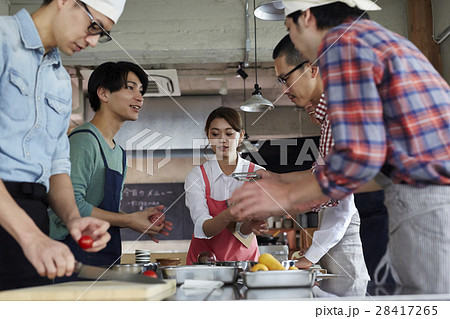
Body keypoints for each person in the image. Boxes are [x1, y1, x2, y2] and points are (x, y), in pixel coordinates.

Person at [230, 0, 450, 292]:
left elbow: (358, 163)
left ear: (306, 17)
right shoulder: (370, 40)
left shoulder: (344, 47)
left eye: (289, 28)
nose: (296, 42)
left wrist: (285, 194)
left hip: (424, 209)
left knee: (422, 307)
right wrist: (280, 183)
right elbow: (373, 166)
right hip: (418, 204)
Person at [0, 0, 127, 290]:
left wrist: (73, 217)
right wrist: (31, 237)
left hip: (33, 216)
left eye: (101, 34)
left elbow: (57, 162)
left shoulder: (59, 79)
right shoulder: (2, 41)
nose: (93, 41)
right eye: (94, 26)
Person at [48, 62, 173, 276]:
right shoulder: (84, 140)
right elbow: (73, 205)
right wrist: (127, 220)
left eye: (141, 91)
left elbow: (102, 208)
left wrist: (136, 219)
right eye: (131, 88)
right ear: (104, 94)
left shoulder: (119, 152)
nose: (140, 97)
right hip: (74, 254)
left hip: (105, 253)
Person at [272, 34, 369, 281]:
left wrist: (279, 201)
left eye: (286, 79)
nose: (284, 91)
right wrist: (274, 180)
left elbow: (337, 194)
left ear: (312, 69)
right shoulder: (329, 120)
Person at [184, 107, 267, 264]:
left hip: (244, 262)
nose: (222, 139)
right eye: (215, 134)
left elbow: (243, 231)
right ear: (208, 136)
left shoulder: (257, 173)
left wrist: (254, 224)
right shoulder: (197, 176)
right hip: (203, 262)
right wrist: (230, 213)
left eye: (229, 133)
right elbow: (203, 228)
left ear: (241, 135)